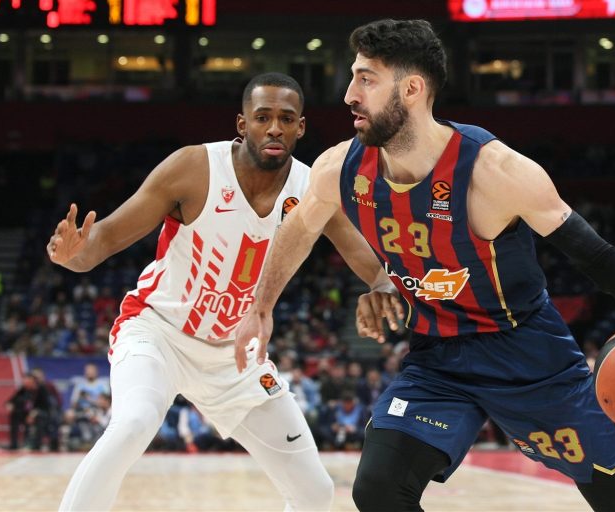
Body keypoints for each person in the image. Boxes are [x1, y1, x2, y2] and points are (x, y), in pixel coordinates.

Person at [234, 20, 615, 512]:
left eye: (366, 79)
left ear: (411, 89)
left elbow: (594, 253)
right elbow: (300, 228)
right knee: (378, 490)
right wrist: (261, 307)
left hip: (527, 353)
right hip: (438, 356)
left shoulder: (495, 172)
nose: (349, 95)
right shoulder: (342, 167)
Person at [46, 72, 387, 511]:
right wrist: (71, 256)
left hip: (235, 353)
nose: (274, 128)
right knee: (133, 423)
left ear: (301, 127)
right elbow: (104, 240)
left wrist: (382, 284)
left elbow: (362, 254)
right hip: (159, 332)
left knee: (315, 492)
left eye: (286, 119)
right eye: (262, 117)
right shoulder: (194, 168)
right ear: (242, 124)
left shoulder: (311, 188)